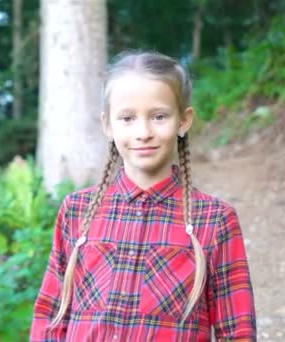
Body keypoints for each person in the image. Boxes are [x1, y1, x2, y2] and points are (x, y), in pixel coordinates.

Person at [29, 51, 256, 341]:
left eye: (159, 116)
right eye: (127, 118)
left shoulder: (215, 220)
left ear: (184, 121)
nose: (143, 132)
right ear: (107, 125)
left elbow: (238, 331)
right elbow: (49, 316)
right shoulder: (77, 211)